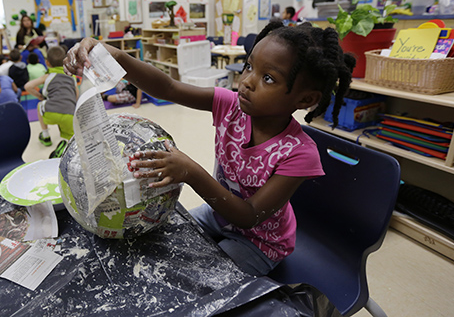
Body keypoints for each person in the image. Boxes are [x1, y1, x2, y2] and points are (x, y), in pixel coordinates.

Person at [64, 21, 354, 276]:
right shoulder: (231, 105)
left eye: (268, 78)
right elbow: (169, 88)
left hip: (259, 243)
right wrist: (113, 56)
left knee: (200, 279)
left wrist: (190, 172)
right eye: (249, 66)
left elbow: (249, 215)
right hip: (217, 216)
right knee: (160, 250)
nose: (247, 82)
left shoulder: (299, 154)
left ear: (305, 100)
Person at [25, 46, 78, 158]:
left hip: (51, 112)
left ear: (47, 63)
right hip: (70, 113)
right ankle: (64, 148)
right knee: (70, 138)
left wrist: (39, 96)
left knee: (40, 105)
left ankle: (46, 136)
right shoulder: (71, 76)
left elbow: (28, 86)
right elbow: (77, 95)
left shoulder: (48, 76)